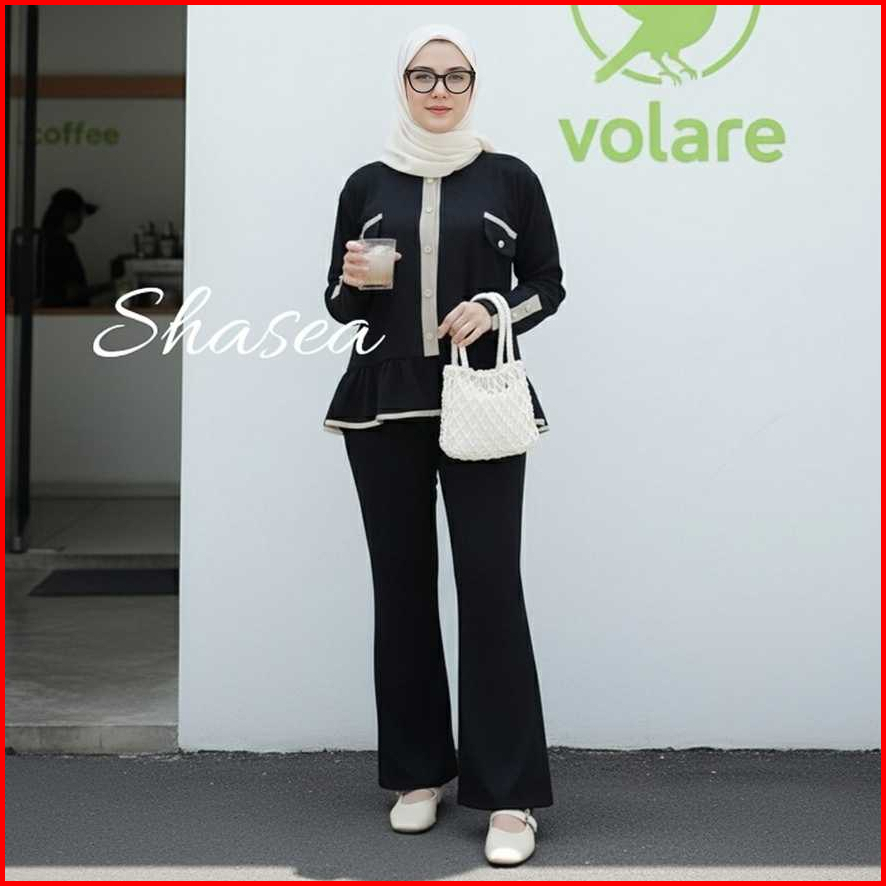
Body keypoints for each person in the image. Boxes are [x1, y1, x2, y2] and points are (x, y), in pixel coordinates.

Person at [321, 23, 565, 866]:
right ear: (402, 84)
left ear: (473, 84)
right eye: (422, 75)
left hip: (482, 400)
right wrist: (352, 283)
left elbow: (548, 285)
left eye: (455, 75)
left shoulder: (510, 177)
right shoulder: (366, 182)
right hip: (383, 406)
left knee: (490, 587)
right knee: (401, 586)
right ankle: (417, 775)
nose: (438, 89)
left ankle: (510, 797)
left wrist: (496, 310)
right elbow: (339, 305)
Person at [36, 188, 114, 308]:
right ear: (68, 216)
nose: (80, 221)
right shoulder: (60, 247)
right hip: (64, 314)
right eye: (79, 216)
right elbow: (71, 293)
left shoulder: (43, 243)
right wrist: (110, 286)